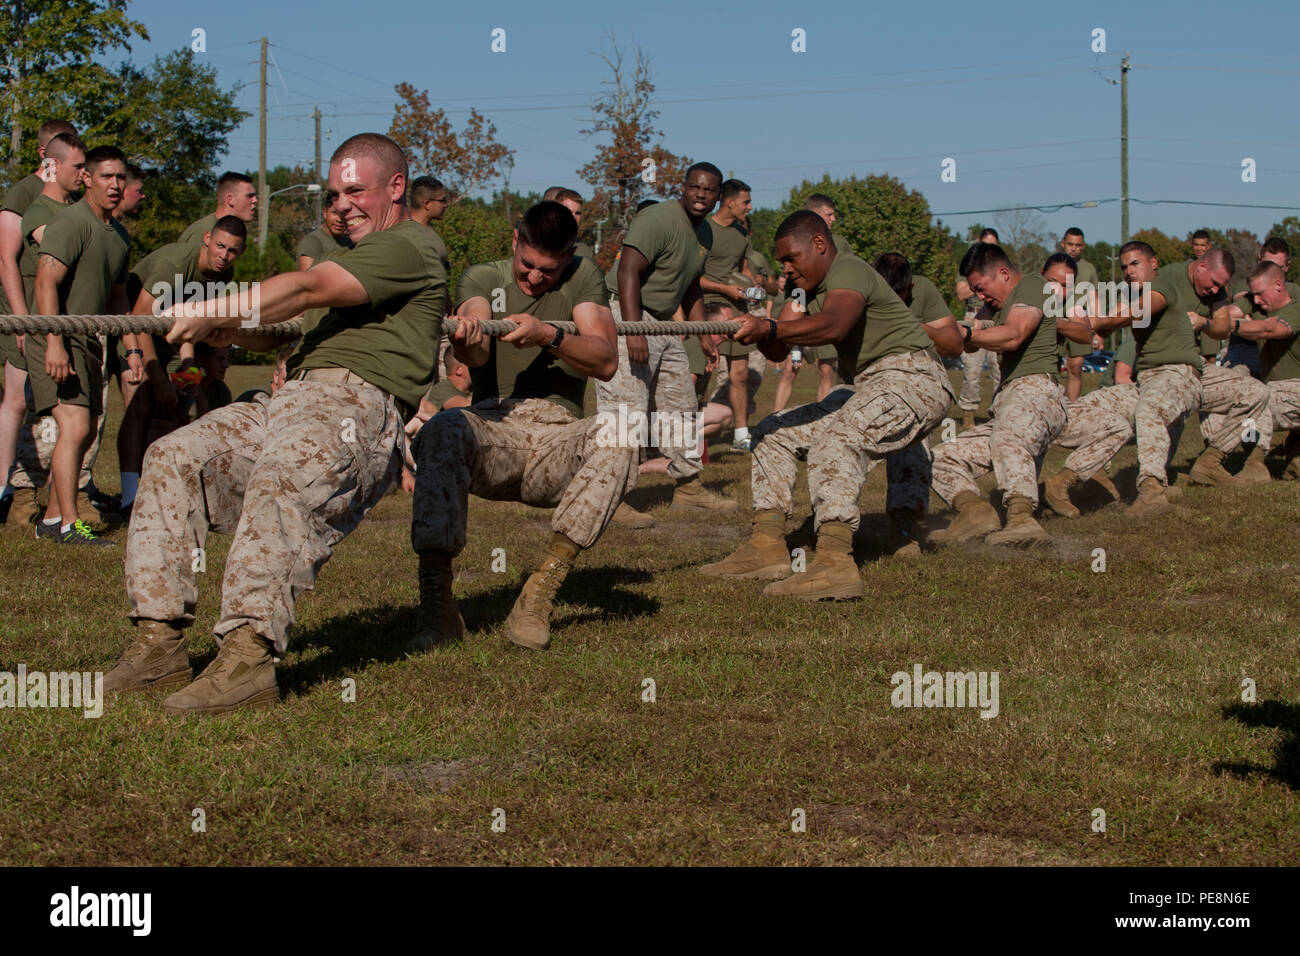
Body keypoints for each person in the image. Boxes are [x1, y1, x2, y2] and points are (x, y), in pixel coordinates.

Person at [105, 133, 445, 714]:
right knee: (173, 457)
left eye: (356, 190)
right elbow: (288, 323)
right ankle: (158, 643)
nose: (342, 204)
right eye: (336, 193)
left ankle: (247, 658)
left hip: (352, 411)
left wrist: (212, 308)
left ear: (396, 188)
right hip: (287, 401)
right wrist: (229, 330)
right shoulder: (351, 257)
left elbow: (308, 288)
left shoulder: (413, 244)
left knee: (282, 478)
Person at [409, 200, 634, 652]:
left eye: (547, 271)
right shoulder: (483, 276)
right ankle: (438, 606)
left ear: (569, 256)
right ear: (515, 241)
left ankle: (537, 597)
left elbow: (606, 361)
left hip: (556, 436)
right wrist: (468, 340)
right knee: (444, 427)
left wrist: (549, 335)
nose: (534, 278)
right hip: (494, 426)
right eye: (527, 264)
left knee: (622, 432)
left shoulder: (583, 276)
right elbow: (475, 355)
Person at [701, 211, 952, 598]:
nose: (785, 268)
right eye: (781, 261)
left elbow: (835, 324)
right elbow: (778, 348)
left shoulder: (848, 269)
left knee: (836, 441)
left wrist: (771, 328)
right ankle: (766, 546)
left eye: (791, 258)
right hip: (869, 385)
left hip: (914, 378)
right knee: (773, 431)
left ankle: (835, 561)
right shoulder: (804, 290)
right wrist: (757, 327)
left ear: (819, 244)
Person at [596, 162, 734, 520]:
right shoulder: (657, 219)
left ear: (718, 196)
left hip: (664, 322)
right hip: (628, 313)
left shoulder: (705, 234)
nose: (701, 195)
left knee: (681, 405)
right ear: (683, 188)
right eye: (695, 187)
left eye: (709, 190)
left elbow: (690, 284)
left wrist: (703, 333)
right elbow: (628, 269)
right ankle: (610, 498)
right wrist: (633, 328)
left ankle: (688, 486)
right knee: (625, 410)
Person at [1089, 247, 1271, 517]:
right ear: (1200, 267)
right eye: (1213, 284)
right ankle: (1148, 486)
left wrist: (1204, 322)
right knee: (1154, 410)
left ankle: (1211, 461)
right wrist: (1101, 322)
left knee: (1256, 392)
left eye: (1220, 287)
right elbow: (1138, 312)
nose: (1214, 291)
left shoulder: (1216, 292)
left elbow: (1223, 327)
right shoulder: (1167, 279)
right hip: (1161, 366)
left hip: (1193, 368)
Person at [929, 244, 1069, 550]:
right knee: (940, 458)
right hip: (1010, 404)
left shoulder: (1033, 285)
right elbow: (969, 339)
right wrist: (938, 330)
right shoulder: (995, 304)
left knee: (1009, 436)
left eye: (981, 287)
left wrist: (966, 334)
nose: (979, 296)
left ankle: (1021, 518)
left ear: (1003, 273)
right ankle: (974, 513)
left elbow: (1014, 335)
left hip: (1036, 392)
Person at [28, 145, 131, 546]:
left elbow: (118, 298)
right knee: (76, 426)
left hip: (91, 341)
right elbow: (44, 282)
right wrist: (55, 342)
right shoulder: (72, 222)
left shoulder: (119, 234)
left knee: (84, 434)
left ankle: (52, 518)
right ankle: (71, 525)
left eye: (121, 177)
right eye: (106, 176)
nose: (115, 185)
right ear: (87, 178)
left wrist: (132, 349)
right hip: (56, 336)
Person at [116, 218, 248, 521]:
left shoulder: (224, 273)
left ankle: (165, 489)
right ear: (206, 238)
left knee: (181, 400)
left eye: (232, 251)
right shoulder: (174, 264)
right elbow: (138, 318)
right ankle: (129, 498)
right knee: (141, 405)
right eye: (219, 246)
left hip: (170, 337)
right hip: (130, 330)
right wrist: (158, 377)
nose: (224, 256)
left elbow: (191, 320)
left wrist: (188, 368)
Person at [0, 118, 78, 529]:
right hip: (24, 313)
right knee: (17, 401)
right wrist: (21, 320)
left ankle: (59, 492)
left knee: (52, 407)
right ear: (42, 154)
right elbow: (6, 258)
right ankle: (8, 491)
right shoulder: (24, 193)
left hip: (54, 316)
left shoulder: (69, 198)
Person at [871, 252, 964, 555]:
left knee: (910, 444)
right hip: (865, 383)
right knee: (836, 448)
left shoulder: (922, 290)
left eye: (899, 296)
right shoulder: (858, 291)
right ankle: (826, 526)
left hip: (910, 385)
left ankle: (903, 527)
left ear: (909, 289)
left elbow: (953, 344)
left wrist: (914, 326)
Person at [1219, 261, 1300, 479]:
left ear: (1278, 285)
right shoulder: (1258, 303)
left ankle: (1253, 464)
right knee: (1237, 397)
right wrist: (1207, 319)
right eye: (1253, 295)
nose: (1256, 300)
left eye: (1260, 294)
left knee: (1257, 399)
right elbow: (1232, 310)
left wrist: (1231, 325)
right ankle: (1277, 457)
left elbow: (1270, 329)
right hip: (1281, 397)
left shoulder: (1296, 308)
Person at [700, 179, 759, 449]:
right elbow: (691, 278)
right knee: (701, 372)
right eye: (745, 202)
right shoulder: (703, 229)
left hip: (736, 308)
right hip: (705, 308)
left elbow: (744, 270)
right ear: (729, 201)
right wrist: (724, 288)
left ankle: (740, 435)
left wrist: (751, 285)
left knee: (740, 375)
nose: (750, 206)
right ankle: (683, 431)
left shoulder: (742, 234)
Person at [955, 228, 1005, 428]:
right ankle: (968, 414)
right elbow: (960, 293)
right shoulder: (970, 267)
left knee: (999, 369)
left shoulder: (1001, 267)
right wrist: (981, 281)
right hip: (973, 314)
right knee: (972, 369)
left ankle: (998, 412)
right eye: (986, 245)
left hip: (995, 317)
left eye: (993, 246)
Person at [1059, 227, 1102, 401]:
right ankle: (1051, 404)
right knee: (1051, 366)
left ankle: (1071, 407)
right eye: (1070, 244)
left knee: (1076, 366)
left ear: (1083, 246)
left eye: (1078, 245)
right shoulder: (1053, 264)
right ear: (1063, 244)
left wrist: (1098, 329)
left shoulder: (1089, 269)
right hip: (1056, 319)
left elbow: (1095, 298)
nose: (1074, 248)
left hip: (1079, 321)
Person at [177, 172, 256, 245]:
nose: (255, 200)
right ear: (230, 199)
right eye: (249, 196)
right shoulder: (204, 232)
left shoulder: (226, 231)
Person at [296, 190, 353, 271]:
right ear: (325, 213)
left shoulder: (350, 242)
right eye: (335, 213)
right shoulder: (312, 242)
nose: (339, 219)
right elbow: (308, 279)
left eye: (343, 214)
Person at [543, 187, 595, 259]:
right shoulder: (536, 245)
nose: (573, 217)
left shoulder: (584, 251)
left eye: (578, 213)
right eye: (568, 211)